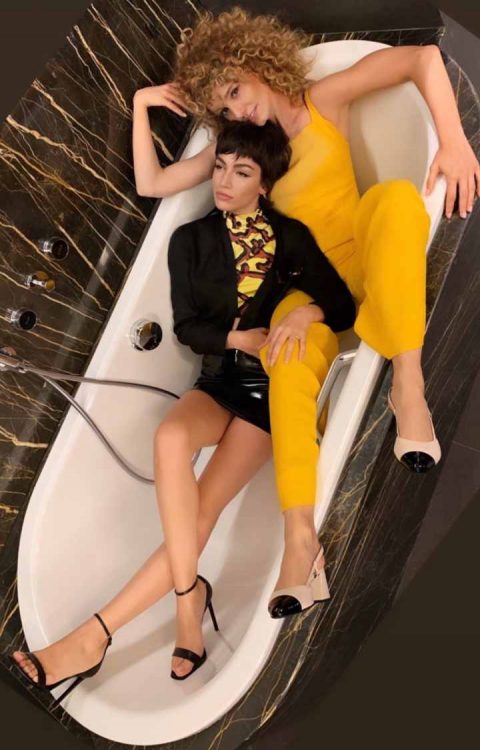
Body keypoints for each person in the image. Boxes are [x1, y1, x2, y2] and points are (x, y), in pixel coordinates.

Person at [131, 5, 480, 613]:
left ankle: (408, 383)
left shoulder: (323, 101)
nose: (238, 112)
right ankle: (300, 541)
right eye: (223, 109)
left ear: (257, 62)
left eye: (235, 91)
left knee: (397, 200)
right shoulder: (242, 148)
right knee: (285, 360)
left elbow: (423, 59)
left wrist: (453, 141)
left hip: (367, 256)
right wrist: (141, 104)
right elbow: (152, 184)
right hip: (309, 291)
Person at [9, 119, 355, 693]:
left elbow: (342, 306)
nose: (224, 181)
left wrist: (303, 313)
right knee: (169, 437)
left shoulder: (290, 237)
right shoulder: (190, 239)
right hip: (218, 378)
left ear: (264, 184)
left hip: (266, 394)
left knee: (201, 512)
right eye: (220, 166)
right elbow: (188, 328)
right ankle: (188, 594)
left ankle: (97, 634)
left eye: (241, 172)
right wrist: (237, 338)